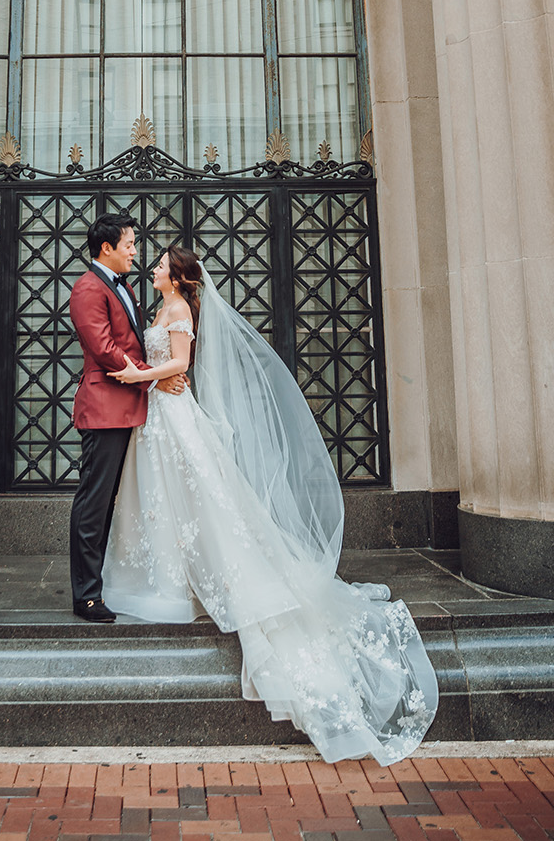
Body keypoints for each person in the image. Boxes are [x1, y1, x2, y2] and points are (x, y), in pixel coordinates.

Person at [101, 244, 439, 765]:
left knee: (205, 501)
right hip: (160, 414)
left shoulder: (180, 309)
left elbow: (181, 362)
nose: (154, 268)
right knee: (168, 502)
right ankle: (170, 578)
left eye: (162, 264)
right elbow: (166, 362)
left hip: (172, 411)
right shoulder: (159, 308)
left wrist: (138, 376)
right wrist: (150, 373)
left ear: (179, 277)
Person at [68, 212, 185, 622]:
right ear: (106, 248)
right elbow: (103, 349)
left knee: (108, 503)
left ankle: (100, 584)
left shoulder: (123, 285)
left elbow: (135, 345)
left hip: (128, 409)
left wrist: (156, 377)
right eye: (130, 245)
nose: (136, 252)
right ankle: (86, 596)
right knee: (93, 504)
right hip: (105, 410)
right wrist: (151, 382)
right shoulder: (87, 288)